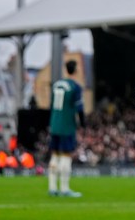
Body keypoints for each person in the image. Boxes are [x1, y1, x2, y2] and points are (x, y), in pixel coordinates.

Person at [48, 59, 84, 197]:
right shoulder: (75, 87)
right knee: (66, 156)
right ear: (75, 70)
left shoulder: (56, 85)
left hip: (54, 124)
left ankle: (52, 187)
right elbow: (79, 108)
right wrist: (83, 124)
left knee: (55, 155)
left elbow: (52, 106)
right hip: (67, 125)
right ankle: (64, 188)